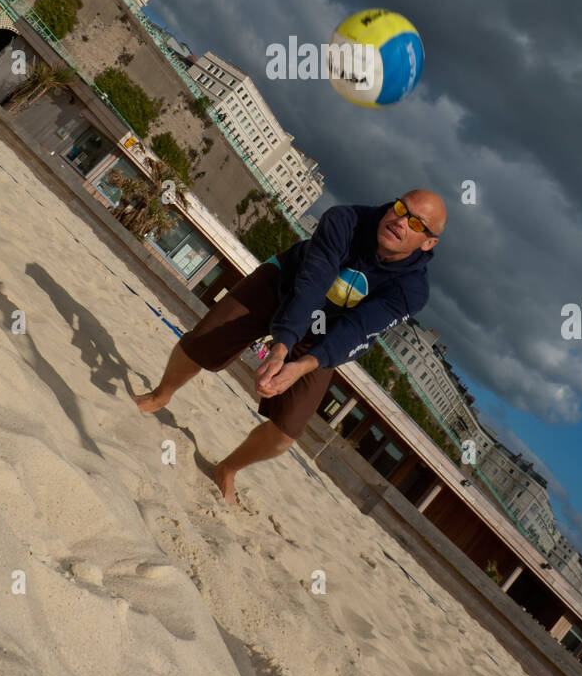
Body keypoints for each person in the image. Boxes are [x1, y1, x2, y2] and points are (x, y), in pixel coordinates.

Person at [133, 190, 446, 504]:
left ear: (428, 242)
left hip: (326, 332)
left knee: (287, 431)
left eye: (417, 224)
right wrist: (281, 347)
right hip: (283, 284)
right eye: (401, 208)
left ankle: (227, 468)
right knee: (204, 340)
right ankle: (160, 396)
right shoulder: (346, 220)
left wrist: (301, 365)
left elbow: (357, 332)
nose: (401, 221)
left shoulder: (411, 291)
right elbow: (311, 285)